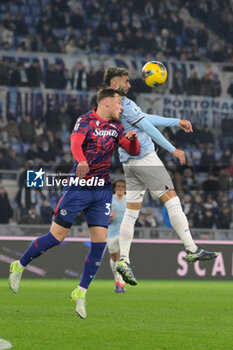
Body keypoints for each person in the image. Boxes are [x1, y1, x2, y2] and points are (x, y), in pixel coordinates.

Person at [9, 87, 140, 319]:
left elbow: (133, 150)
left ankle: (80, 292)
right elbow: (75, 143)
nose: (123, 107)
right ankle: (19, 265)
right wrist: (80, 160)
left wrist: (133, 140)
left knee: (99, 245)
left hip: (101, 191)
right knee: (57, 237)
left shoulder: (117, 127)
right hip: (79, 186)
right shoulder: (86, 121)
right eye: (120, 103)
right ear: (107, 103)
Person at [104, 66, 218, 286]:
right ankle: (191, 249)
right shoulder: (123, 104)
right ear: (115, 83)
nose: (130, 85)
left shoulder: (112, 105)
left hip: (128, 160)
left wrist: (176, 122)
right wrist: (172, 148)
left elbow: (146, 117)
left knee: (131, 212)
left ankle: (124, 260)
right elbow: (147, 125)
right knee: (171, 198)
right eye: (126, 81)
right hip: (145, 157)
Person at [107, 180, 126, 293]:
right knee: (114, 258)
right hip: (112, 232)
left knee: (123, 257)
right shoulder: (110, 200)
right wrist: (108, 216)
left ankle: (122, 282)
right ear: (114, 188)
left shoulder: (128, 200)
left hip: (124, 233)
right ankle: (116, 278)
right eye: (118, 186)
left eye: (122, 186)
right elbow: (103, 214)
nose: (120, 188)